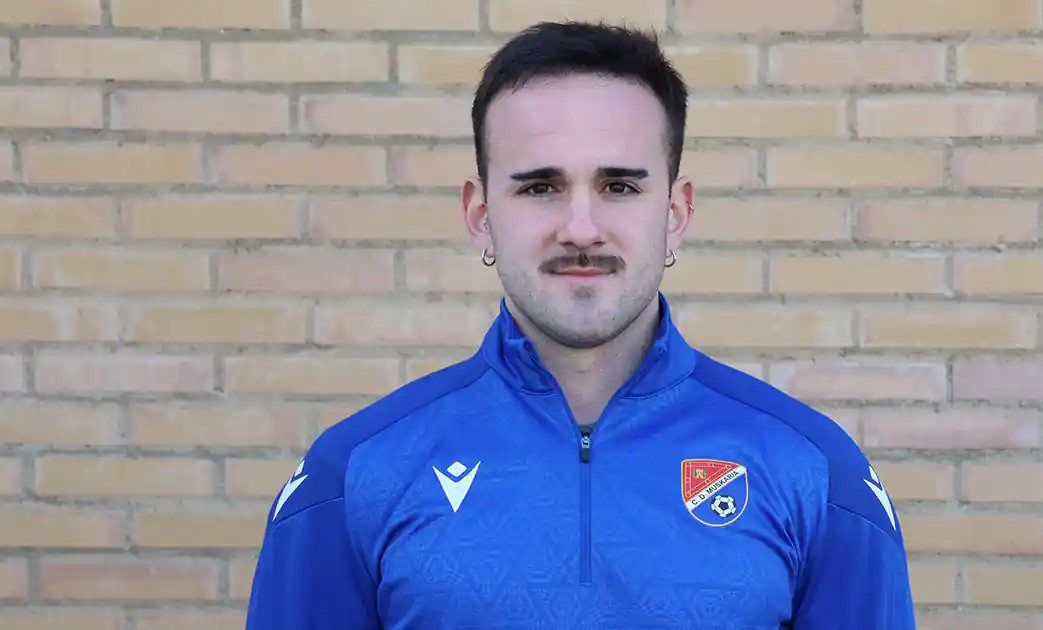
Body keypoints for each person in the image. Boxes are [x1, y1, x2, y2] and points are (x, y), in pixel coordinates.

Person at [245, 20, 916, 629]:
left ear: (675, 213)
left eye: (620, 187)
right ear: (480, 215)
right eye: (540, 187)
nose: (581, 228)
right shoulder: (353, 476)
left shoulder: (816, 475)